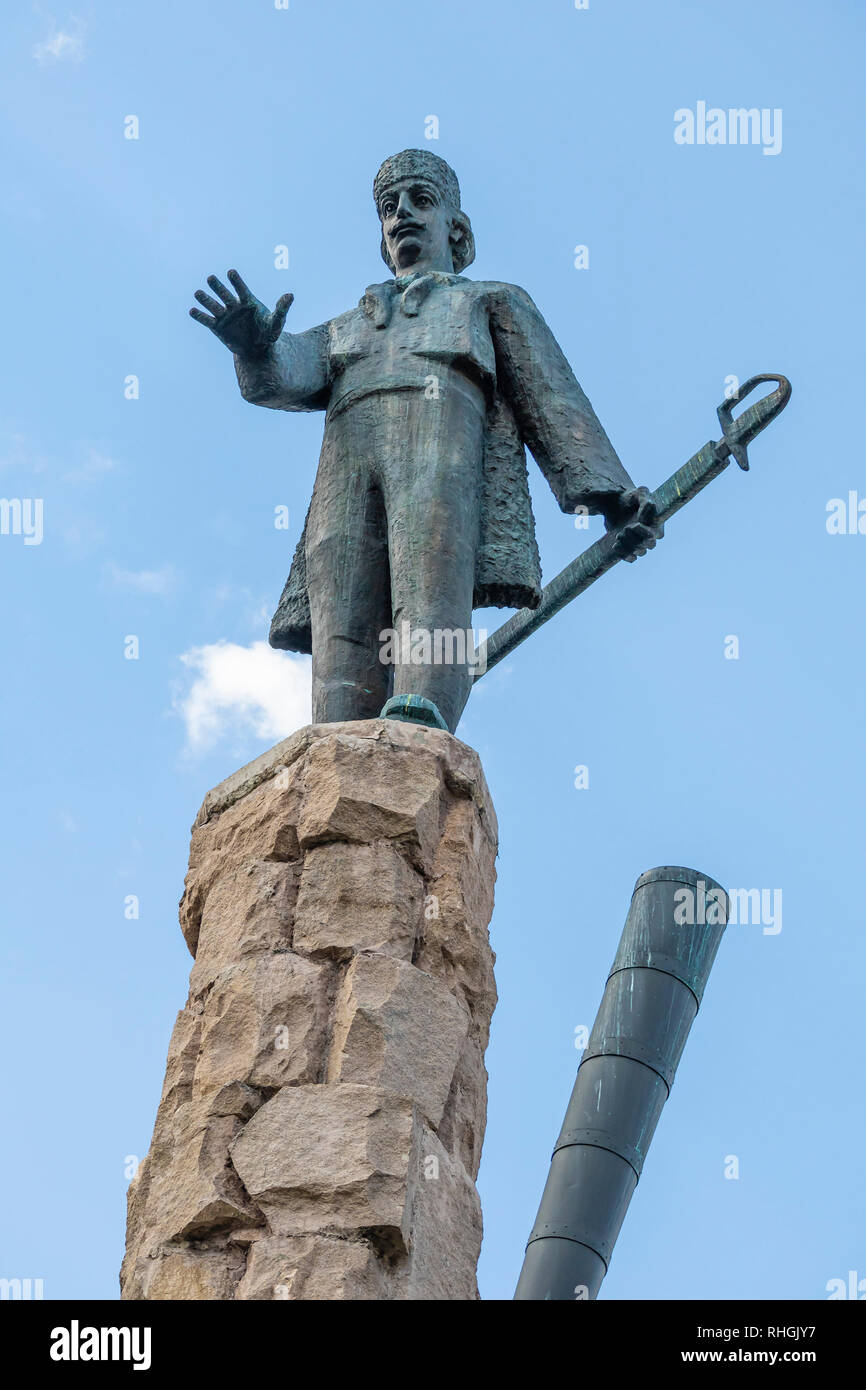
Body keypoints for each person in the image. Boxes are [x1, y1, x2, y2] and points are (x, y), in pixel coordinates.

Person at [190, 149, 662, 734]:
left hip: (442, 442)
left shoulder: (488, 300)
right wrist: (253, 346)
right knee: (341, 596)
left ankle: (422, 710)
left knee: (431, 572)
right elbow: (286, 373)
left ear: (455, 228)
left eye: (420, 200)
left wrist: (611, 497)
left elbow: (552, 398)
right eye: (389, 207)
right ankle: (336, 731)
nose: (402, 214)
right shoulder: (351, 323)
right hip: (347, 457)